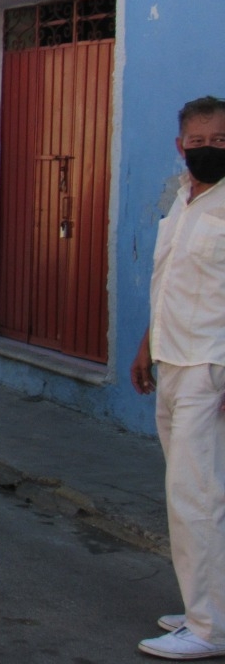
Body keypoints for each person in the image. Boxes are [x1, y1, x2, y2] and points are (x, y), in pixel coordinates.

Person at [130, 95, 225, 660]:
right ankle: (207, 604)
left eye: (219, 141)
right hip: (172, 361)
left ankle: (208, 629)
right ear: (180, 145)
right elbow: (169, 284)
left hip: (209, 368)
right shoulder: (183, 202)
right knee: (194, 492)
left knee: (195, 497)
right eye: (199, 141)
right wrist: (146, 348)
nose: (209, 150)